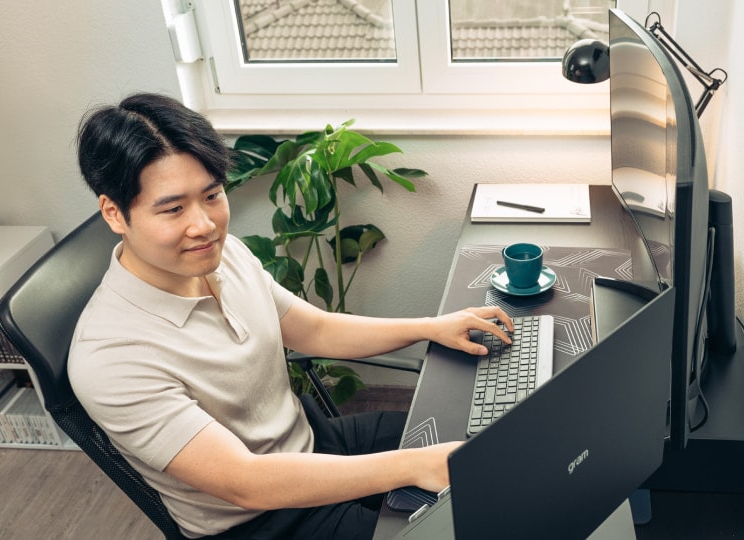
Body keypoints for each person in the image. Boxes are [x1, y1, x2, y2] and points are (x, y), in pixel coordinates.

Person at [68, 92, 513, 539]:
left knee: (488, 448)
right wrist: (412, 466)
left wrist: (430, 328)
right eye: (173, 209)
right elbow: (245, 482)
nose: (203, 225)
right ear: (115, 213)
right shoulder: (108, 357)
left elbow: (314, 328)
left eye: (212, 195)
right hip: (263, 518)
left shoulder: (219, 255)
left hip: (314, 445)